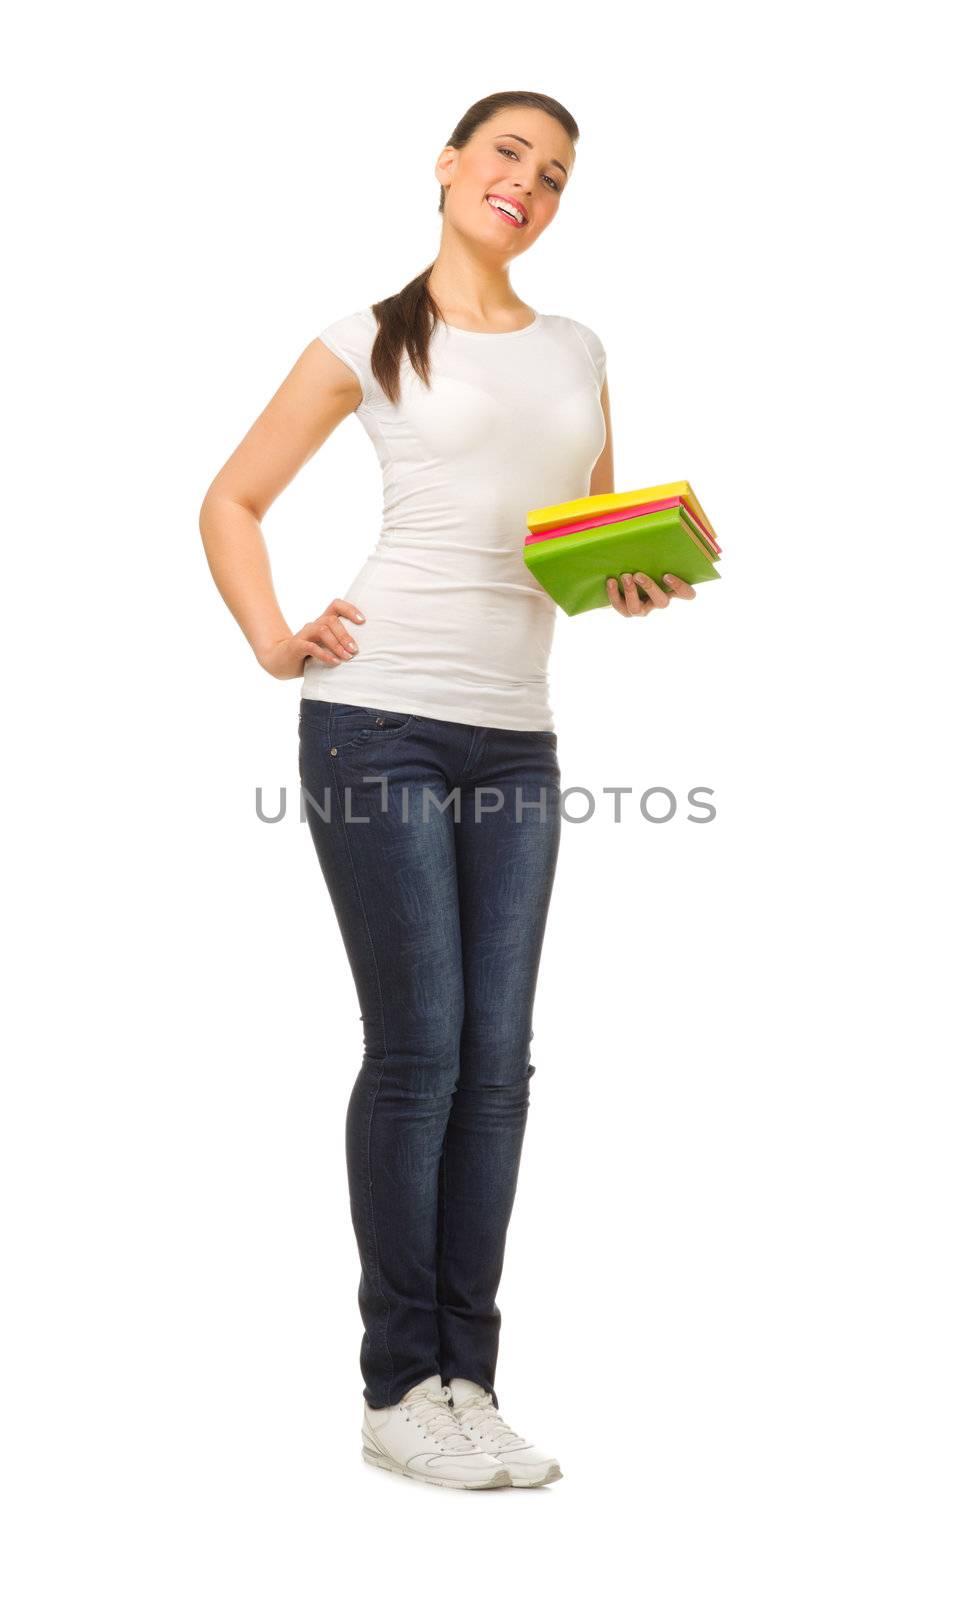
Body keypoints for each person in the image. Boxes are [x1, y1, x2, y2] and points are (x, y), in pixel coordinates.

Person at [199, 88, 696, 1493]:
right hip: (376, 723)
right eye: (507, 156)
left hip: (515, 736)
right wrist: (274, 636)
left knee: (498, 1067)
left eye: (553, 174)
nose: (526, 184)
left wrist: (628, 578)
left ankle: (467, 1380)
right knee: (419, 1054)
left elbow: (567, 552)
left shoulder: (580, 349)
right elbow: (228, 501)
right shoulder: (365, 338)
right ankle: (394, 1387)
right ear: (448, 165)